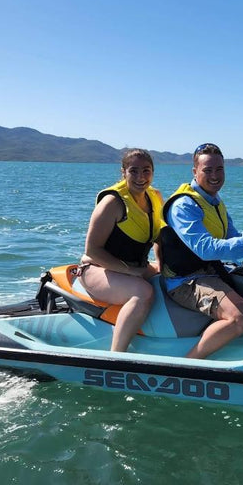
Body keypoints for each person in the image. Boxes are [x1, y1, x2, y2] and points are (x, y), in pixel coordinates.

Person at [159, 143, 243, 359]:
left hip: (212, 273)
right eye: (208, 170)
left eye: (219, 169)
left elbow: (233, 238)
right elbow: (206, 249)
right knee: (241, 316)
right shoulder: (184, 206)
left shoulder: (214, 201)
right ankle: (188, 364)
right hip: (186, 281)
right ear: (195, 171)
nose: (215, 176)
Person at [80, 149, 163, 352]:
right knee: (143, 293)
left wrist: (161, 264)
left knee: (171, 280)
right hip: (96, 269)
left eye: (146, 170)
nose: (140, 177)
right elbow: (92, 250)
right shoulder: (113, 202)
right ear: (123, 172)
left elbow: (160, 236)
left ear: (153, 172)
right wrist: (130, 271)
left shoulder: (155, 197)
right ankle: (117, 354)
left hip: (134, 267)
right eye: (133, 171)